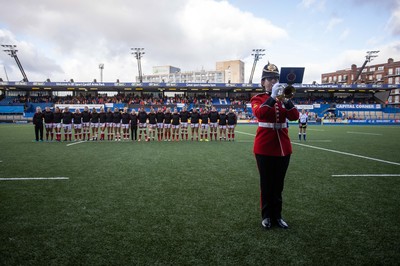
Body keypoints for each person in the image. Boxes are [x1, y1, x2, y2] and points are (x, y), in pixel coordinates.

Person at [250, 62, 299, 229]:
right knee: (266, 184)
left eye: (275, 78)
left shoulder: (283, 98)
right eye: (269, 79)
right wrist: (272, 97)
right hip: (264, 147)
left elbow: (294, 116)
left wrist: (285, 100)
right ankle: (267, 217)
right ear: (263, 82)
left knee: (278, 185)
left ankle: (277, 216)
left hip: (283, 147)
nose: (272, 81)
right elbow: (261, 114)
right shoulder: (258, 99)